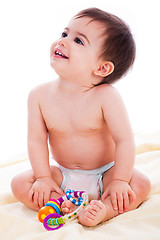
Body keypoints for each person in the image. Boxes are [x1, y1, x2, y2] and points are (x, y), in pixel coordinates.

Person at [11, 8, 151, 227]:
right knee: (19, 183)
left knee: (141, 184)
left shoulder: (106, 97)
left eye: (78, 40)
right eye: (65, 34)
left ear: (102, 67)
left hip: (106, 173)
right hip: (64, 176)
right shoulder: (38, 96)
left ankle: (104, 210)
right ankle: (59, 204)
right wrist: (44, 177)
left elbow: (125, 140)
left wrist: (120, 181)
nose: (63, 41)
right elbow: (36, 140)